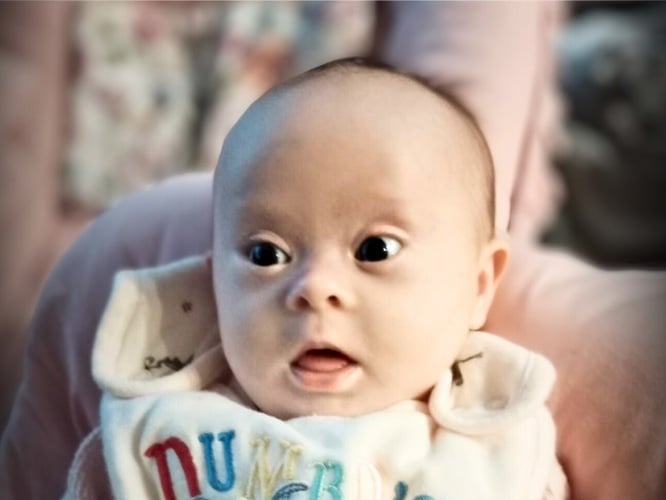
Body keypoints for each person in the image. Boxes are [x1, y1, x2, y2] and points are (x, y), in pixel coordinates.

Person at [63, 59, 567, 499]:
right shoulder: (162, 434)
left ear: (479, 285)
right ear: (214, 287)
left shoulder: (493, 451)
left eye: (375, 250)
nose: (314, 286)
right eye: (266, 254)